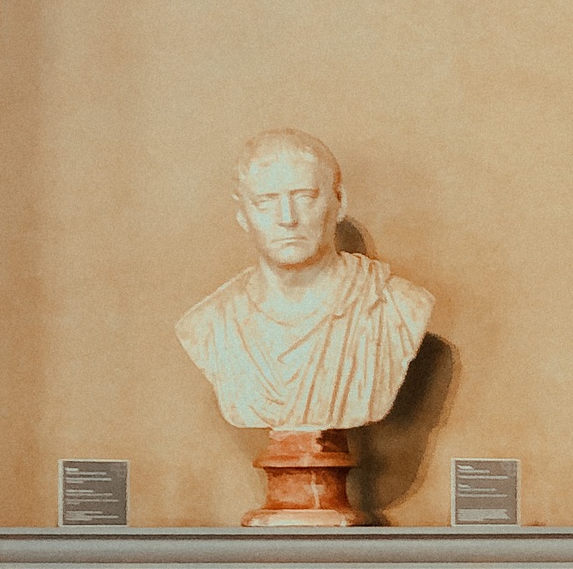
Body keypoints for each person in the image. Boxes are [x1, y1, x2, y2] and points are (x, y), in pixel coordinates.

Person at [177, 129, 434, 430]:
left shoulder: (397, 307)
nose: (288, 217)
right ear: (243, 216)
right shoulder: (209, 323)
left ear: (340, 202)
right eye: (265, 201)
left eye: (305, 196)